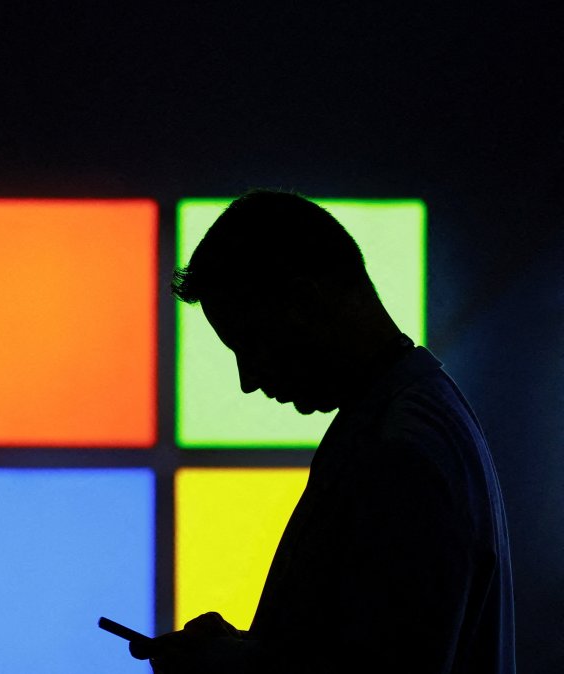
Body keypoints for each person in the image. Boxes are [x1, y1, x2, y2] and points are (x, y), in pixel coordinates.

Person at [141, 190, 515, 673]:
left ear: (304, 302)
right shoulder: (416, 417)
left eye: (250, 343)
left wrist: (231, 667)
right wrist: (251, 655)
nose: (248, 379)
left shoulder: (398, 452)